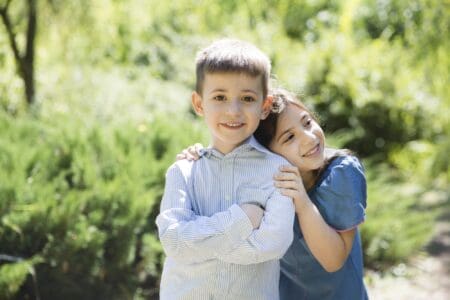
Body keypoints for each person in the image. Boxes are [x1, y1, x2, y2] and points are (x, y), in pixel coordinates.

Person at [179, 87, 368, 300]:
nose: (308, 138)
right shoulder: (263, 185)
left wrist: (302, 202)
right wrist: (198, 161)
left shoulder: (340, 174)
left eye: (307, 122)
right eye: (289, 138)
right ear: (265, 155)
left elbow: (333, 260)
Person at [156, 39, 295, 300]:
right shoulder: (184, 171)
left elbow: (272, 244)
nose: (233, 111)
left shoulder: (279, 171)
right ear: (199, 104)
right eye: (219, 97)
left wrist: (197, 246)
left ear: (264, 107)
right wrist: (242, 218)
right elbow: (174, 242)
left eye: (247, 98)